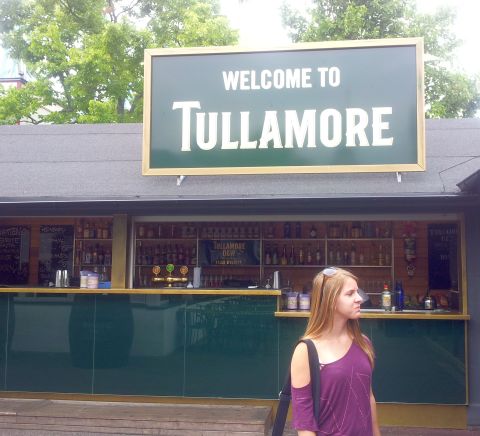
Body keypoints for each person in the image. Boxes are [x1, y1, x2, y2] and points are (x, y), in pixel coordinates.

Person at [290, 267, 381, 436]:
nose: (359, 298)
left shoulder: (363, 343)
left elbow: (368, 397)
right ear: (330, 300)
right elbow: (304, 423)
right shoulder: (306, 351)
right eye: (350, 294)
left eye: (357, 292)